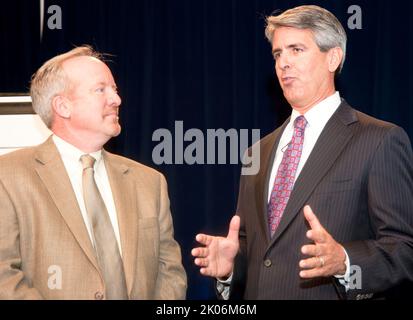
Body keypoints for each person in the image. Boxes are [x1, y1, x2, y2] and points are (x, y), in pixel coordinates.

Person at [192, 5, 413, 300]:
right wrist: (232, 267)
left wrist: (345, 261)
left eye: (296, 50)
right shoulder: (257, 152)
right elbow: (262, 254)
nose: (283, 63)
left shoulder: (379, 139)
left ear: (333, 57)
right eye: (278, 54)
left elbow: (403, 250)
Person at [0, 46, 187, 299]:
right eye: (101, 90)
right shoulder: (9, 176)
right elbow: (4, 277)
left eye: (115, 90)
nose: (116, 100)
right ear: (63, 106)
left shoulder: (150, 182)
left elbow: (170, 274)